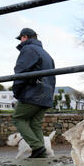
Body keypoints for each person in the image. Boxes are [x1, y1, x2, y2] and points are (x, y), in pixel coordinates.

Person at [12, 28, 56, 158]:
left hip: (32, 93)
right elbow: (52, 78)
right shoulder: (47, 55)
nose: (20, 41)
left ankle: (37, 147)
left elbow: (20, 72)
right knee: (35, 123)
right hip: (46, 95)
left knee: (18, 118)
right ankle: (40, 153)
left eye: (20, 38)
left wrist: (17, 91)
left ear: (25, 37)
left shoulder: (28, 49)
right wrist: (49, 96)